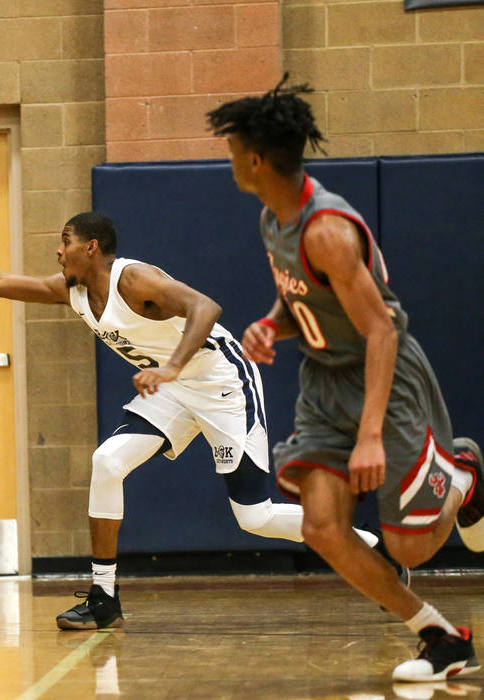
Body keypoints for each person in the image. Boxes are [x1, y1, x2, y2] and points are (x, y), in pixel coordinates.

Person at [0, 204, 380, 631]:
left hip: (220, 382)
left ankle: (372, 552)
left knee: (257, 518)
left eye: (64, 241)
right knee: (108, 462)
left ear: (91, 247)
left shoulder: (133, 279)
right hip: (170, 388)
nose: (57, 250)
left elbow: (208, 307)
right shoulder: (70, 291)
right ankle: (104, 597)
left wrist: (172, 367)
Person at [206, 77, 484, 682]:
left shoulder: (325, 230)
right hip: (324, 378)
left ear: (256, 160)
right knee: (322, 526)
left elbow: (380, 331)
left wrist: (371, 435)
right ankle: (439, 637)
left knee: (409, 546)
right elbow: (303, 299)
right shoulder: (271, 220)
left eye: (232, 150)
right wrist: (270, 327)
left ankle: (463, 473)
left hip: (384, 374)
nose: (227, 160)